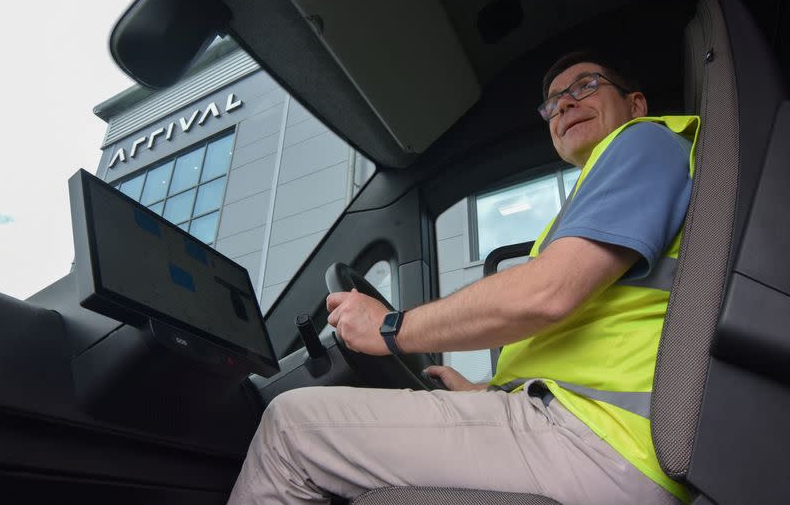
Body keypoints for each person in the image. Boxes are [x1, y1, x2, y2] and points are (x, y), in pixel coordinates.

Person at [227, 51, 699, 505]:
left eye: (586, 86)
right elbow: (590, 329)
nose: (566, 104)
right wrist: (485, 392)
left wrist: (390, 327)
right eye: (553, 103)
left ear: (635, 103)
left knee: (290, 428)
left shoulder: (642, 142)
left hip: (603, 439)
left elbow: (547, 294)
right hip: (595, 432)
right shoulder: (607, 183)